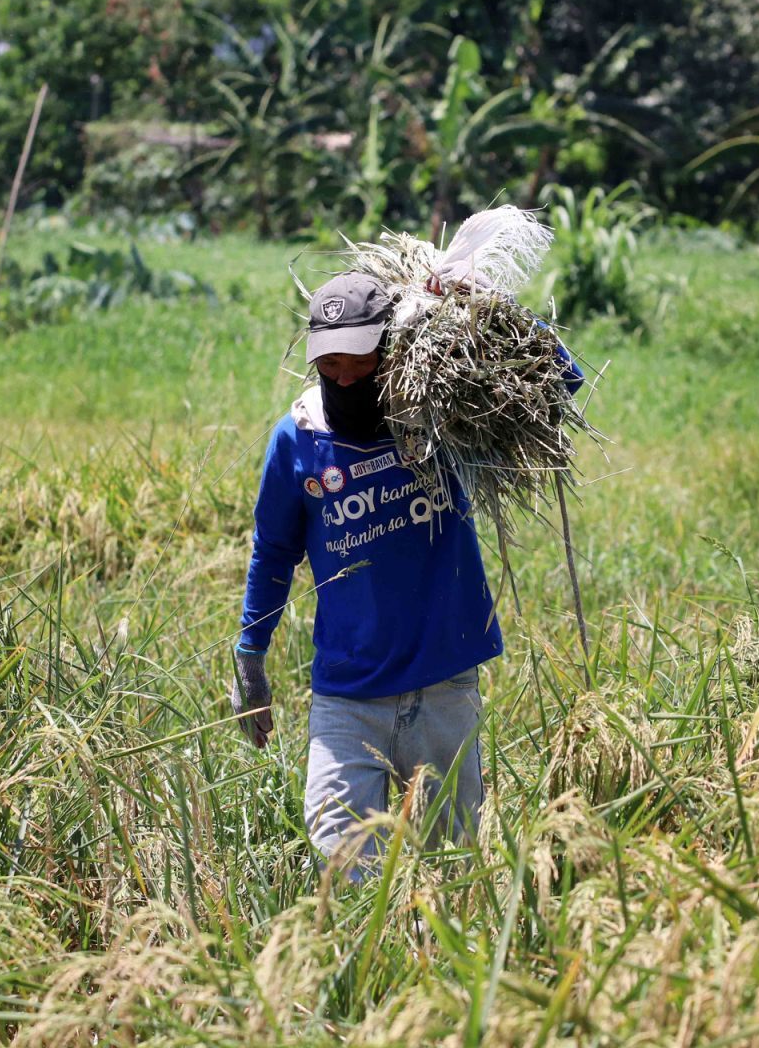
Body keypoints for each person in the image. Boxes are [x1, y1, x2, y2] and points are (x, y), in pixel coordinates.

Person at [231, 270, 583, 872]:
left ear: (391, 348)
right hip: (348, 697)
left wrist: (483, 301)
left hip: (443, 689)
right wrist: (250, 657)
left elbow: (562, 379)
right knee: (343, 879)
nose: (343, 376)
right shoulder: (298, 438)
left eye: (358, 362)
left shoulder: (445, 415)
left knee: (454, 880)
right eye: (330, 363)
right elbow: (273, 552)